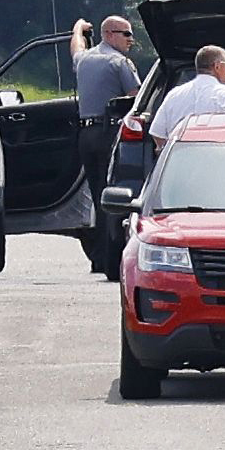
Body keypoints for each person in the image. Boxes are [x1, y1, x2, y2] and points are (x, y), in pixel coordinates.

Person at [71, 16, 143, 270]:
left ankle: (99, 257)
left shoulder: (84, 60)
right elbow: (137, 99)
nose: (131, 40)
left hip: (86, 135)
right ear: (109, 34)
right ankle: (109, 257)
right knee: (112, 198)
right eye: (126, 34)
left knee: (97, 194)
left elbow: (76, 47)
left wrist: (78, 28)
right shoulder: (120, 63)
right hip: (109, 132)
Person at [149, 44, 225, 149]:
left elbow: (157, 133)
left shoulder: (174, 94)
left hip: (180, 158)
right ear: (217, 66)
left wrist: (171, 152)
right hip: (216, 156)